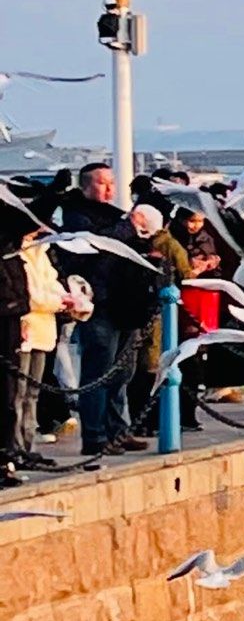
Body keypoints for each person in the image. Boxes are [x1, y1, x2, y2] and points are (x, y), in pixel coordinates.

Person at [52, 166, 158, 456]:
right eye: (102, 183)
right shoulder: (76, 216)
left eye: (112, 183)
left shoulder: (115, 215)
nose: (109, 189)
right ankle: (95, 436)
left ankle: (118, 430)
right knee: (98, 371)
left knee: (122, 373)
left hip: (126, 302)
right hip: (100, 304)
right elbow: (97, 246)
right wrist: (129, 226)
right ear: (86, 186)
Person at [0, 205, 73, 483]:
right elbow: (31, 293)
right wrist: (59, 302)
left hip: (43, 329)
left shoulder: (42, 251)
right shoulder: (15, 252)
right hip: (25, 328)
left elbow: (51, 284)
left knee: (32, 393)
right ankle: (14, 447)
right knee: (15, 394)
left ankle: (27, 446)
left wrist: (68, 298)